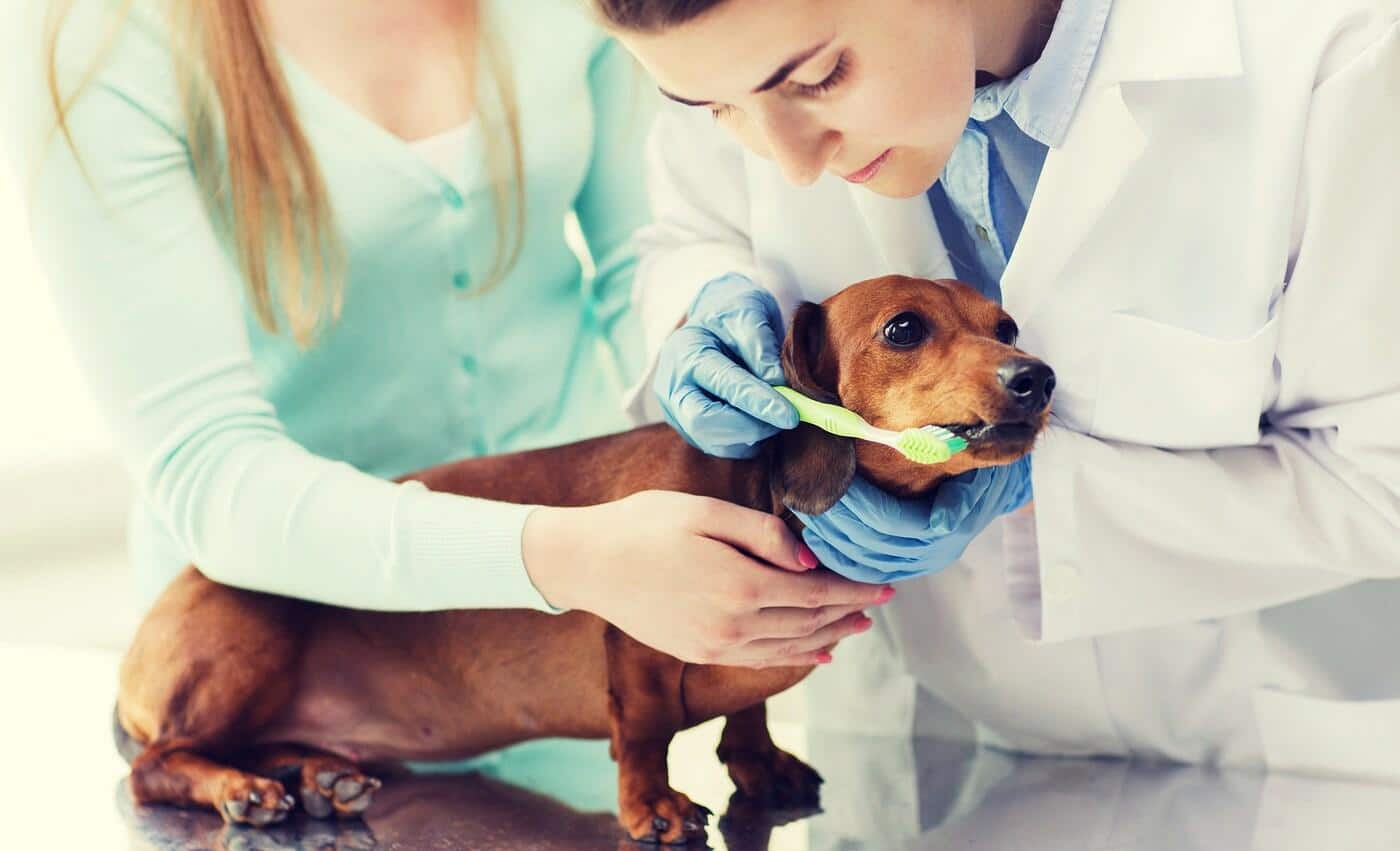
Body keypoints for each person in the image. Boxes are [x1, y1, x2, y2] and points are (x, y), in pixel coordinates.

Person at [3, 0, 894, 750]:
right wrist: (571, 557)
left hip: (574, 662)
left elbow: (643, 255)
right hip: (283, 678)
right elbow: (208, 470)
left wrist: (699, 349)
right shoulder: (104, 42)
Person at [596, 0, 1400, 777]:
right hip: (915, 737)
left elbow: (1384, 482)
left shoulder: (1340, 63)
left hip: (1258, 741)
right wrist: (699, 302)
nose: (793, 162)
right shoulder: (735, 53)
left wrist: (1030, 489)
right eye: (712, 107)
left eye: (822, 76)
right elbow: (688, 232)